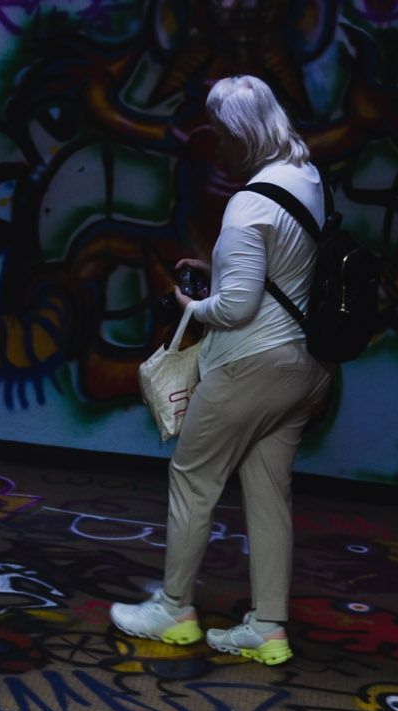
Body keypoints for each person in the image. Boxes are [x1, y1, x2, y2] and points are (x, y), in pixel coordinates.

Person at [113, 75, 332, 664]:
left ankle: (173, 610)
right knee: (269, 494)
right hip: (304, 367)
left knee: (193, 478)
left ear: (242, 134)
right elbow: (284, 267)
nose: (216, 147)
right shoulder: (306, 178)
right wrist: (223, 269)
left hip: (251, 366)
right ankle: (268, 627)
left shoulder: (248, 203)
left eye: (220, 135)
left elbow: (235, 309)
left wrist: (189, 304)